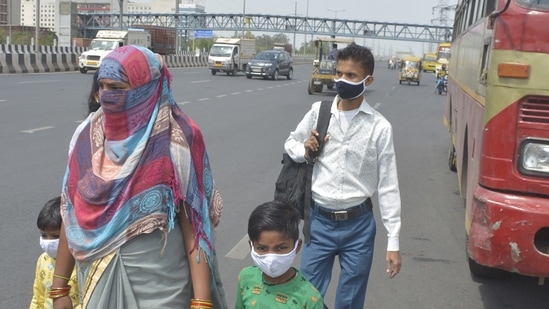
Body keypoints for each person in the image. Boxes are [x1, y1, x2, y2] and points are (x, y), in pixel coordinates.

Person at [52, 45, 227, 309]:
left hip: (161, 289)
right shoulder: (87, 138)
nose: (108, 96)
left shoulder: (177, 139)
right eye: (104, 86)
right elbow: (71, 212)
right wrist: (59, 288)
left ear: (146, 89)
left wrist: (201, 302)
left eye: (119, 88)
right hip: (98, 279)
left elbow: (195, 226)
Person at [283, 43, 402, 309]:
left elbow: (388, 186)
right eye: (338, 73)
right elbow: (290, 144)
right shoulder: (319, 112)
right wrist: (305, 149)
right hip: (319, 223)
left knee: (350, 301)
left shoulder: (379, 127)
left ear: (367, 80)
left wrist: (393, 242)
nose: (341, 80)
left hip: (358, 227)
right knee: (307, 298)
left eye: (350, 75)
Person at [235, 200, 324, 309]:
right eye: (262, 248)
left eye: (281, 248)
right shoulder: (246, 278)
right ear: (251, 246)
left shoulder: (310, 299)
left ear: (297, 246)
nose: (271, 257)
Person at [30, 196, 81, 309]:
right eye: (44, 235)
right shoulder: (43, 260)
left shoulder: (83, 264)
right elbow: (39, 295)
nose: (48, 241)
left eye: (55, 236)